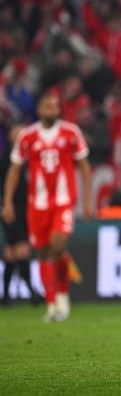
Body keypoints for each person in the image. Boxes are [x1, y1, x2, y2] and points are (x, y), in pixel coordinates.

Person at [3, 94, 92, 322]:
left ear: (59, 110)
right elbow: (14, 171)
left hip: (63, 201)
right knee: (44, 253)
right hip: (37, 204)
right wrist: (8, 201)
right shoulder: (27, 136)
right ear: (39, 109)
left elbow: (84, 166)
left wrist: (88, 200)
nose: (51, 110)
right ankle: (51, 304)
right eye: (47, 106)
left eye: (54, 106)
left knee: (58, 245)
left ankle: (62, 297)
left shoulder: (71, 132)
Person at [0, 124, 40, 307]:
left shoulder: (31, 157)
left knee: (11, 253)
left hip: (26, 209)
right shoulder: (6, 159)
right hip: (11, 209)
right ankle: (32, 293)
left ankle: (5, 296)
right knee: (22, 249)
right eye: (18, 134)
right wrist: (5, 205)